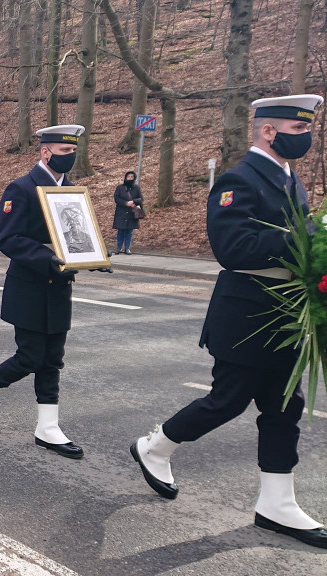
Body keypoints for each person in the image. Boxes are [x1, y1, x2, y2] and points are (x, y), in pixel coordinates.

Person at [129, 95, 326, 549]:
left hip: (285, 313)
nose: (306, 139)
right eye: (298, 131)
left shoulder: (291, 181)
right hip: (246, 311)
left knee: (285, 408)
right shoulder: (238, 181)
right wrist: (307, 235)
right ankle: (154, 446)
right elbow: (233, 248)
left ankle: (277, 503)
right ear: (268, 132)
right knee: (227, 401)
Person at [0, 124, 90, 460]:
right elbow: (7, 238)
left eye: (73, 151)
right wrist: (48, 257)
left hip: (60, 288)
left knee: (53, 358)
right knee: (30, 356)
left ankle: (47, 427)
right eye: (64, 151)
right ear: (45, 151)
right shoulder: (21, 188)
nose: (70, 157)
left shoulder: (72, 191)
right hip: (30, 287)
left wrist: (91, 256)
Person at [112, 171, 143, 254]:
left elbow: (140, 199)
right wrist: (126, 203)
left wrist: (133, 202)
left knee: (129, 231)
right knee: (120, 231)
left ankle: (127, 248)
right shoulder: (120, 188)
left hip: (131, 213)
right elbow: (116, 198)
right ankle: (118, 247)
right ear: (125, 177)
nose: (130, 178)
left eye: (132, 177)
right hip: (121, 213)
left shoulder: (137, 188)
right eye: (128, 176)